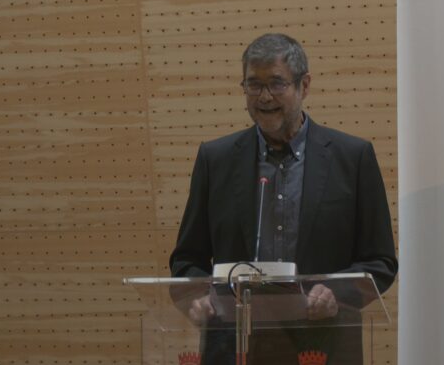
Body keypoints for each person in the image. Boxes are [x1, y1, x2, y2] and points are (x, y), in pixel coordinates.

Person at [169, 33, 398, 364]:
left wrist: (336, 294)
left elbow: (380, 261)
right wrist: (199, 296)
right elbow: (187, 259)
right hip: (234, 346)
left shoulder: (352, 158)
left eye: (277, 84)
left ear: (304, 85)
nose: (264, 97)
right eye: (253, 85)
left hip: (323, 344)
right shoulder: (215, 160)